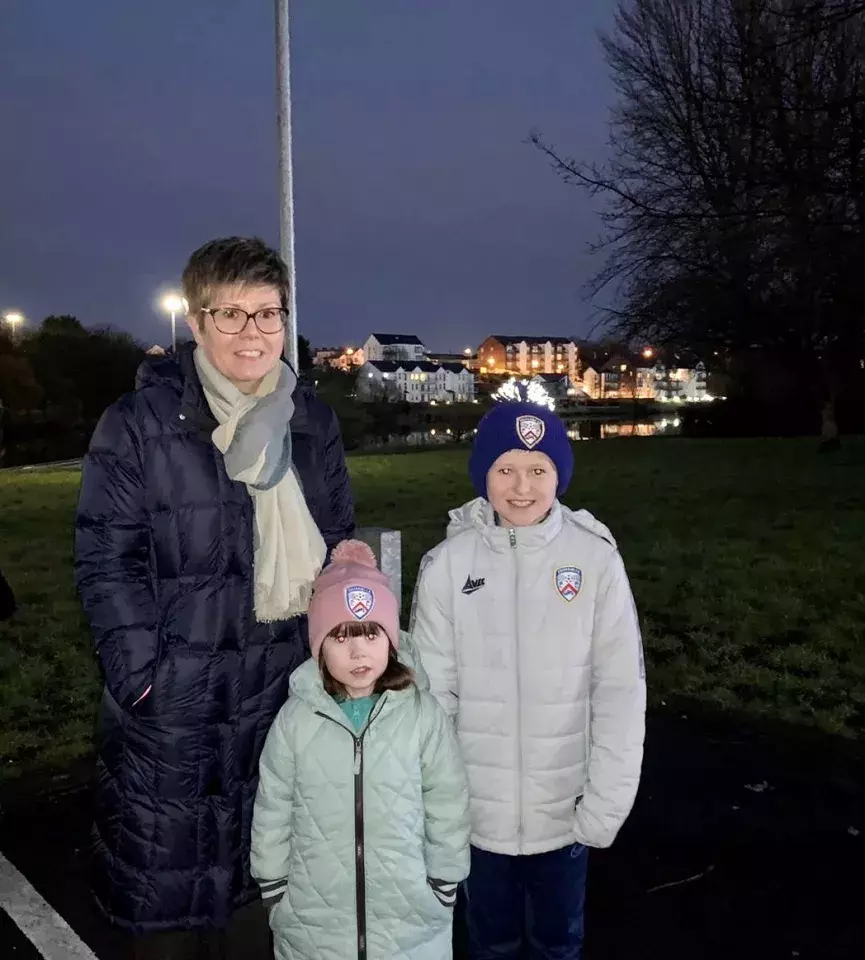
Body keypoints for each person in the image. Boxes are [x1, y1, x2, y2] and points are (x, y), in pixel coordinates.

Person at [75, 237, 355, 958]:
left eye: (267, 314)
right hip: (176, 714)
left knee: (258, 907)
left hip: (279, 700)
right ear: (195, 323)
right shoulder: (140, 424)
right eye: (229, 314)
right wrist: (144, 681)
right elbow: (106, 560)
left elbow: (336, 538)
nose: (252, 333)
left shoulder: (311, 423)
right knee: (166, 915)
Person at [410, 386, 646, 960]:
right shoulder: (447, 567)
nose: (522, 488)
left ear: (559, 475)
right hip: (477, 815)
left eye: (538, 469)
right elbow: (432, 697)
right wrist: (436, 800)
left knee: (558, 942)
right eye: (506, 469)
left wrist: (606, 802)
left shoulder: (594, 561)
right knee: (488, 941)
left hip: (565, 813)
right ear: (482, 475)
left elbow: (618, 688)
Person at [251, 539, 470, 960]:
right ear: (317, 649)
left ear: (391, 640)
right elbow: (273, 806)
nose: (357, 651)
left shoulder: (422, 716)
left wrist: (445, 881)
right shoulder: (296, 721)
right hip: (314, 925)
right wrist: (274, 885)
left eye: (371, 633)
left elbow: (448, 801)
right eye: (340, 637)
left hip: (410, 924)